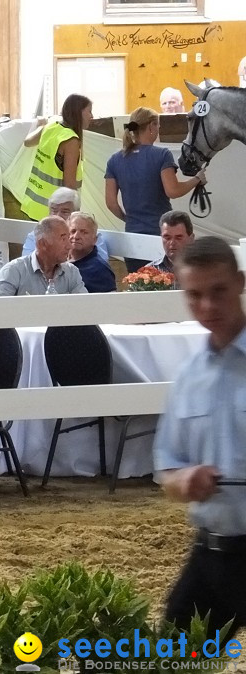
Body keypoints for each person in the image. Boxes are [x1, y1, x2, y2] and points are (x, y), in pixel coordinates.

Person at [153, 237, 246, 637]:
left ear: (240, 283)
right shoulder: (189, 376)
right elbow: (167, 470)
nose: (207, 307)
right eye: (194, 295)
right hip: (211, 554)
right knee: (170, 660)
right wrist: (184, 480)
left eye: (218, 291)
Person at [105, 107, 205, 272]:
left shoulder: (114, 160)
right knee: (166, 286)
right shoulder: (162, 155)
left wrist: (129, 219)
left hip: (133, 239)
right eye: (158, 125)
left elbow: (110, 203)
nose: (159, 129)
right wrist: (197, 179)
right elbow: (172, 191)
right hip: (160, 236)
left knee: (139, 286)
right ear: (151, 126)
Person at [19, 94, 93, 221]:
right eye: (89, 111)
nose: (92, 116)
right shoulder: (70, 140)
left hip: (33, 206)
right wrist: (74, 218)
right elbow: (69, 186)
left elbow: (27, 142)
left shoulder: (50, 127)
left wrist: (42, 126)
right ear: (78, 113)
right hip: (55, 214)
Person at [0, 216, 87, 297]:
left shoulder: (71, 273)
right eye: (63, 239)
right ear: (42, 244)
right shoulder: (13, 272)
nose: (69, 246)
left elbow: (84, 308)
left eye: (68, 238)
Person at [21, 187, 109, 263]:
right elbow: (28, 264)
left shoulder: (91, 236)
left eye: (65, 211)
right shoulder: (36, 236)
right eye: (54, 210)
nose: (58, 215)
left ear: (76, 212)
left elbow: (101, 264)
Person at [68, 212, 116, 294]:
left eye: (84, 232)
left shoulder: (100, 269)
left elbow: (111, 302)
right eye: (73, 231)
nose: (76, 236)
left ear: (95, 239)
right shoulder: (58, 260)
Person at [144, 211, 194, 282]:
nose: (172, 243)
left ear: (191, 239)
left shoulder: (204, 270)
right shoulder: (149, 272)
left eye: (178, 237)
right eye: (167, 237)